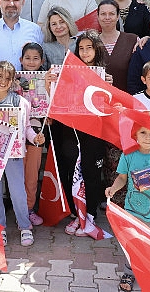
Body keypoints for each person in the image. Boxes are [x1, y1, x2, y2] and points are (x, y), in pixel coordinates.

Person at [0, 61, 45, 246]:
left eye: (7, 78)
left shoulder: (21, 102)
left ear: (12, 81)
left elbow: (26, 129)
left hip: (14, 155)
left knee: (18, 193)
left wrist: (35, 139)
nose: (3, 81)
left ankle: (24, 226)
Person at [49, 31, 108, 236]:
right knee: (71, 170)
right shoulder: (68, 71)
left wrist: (108, 87)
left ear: (97, 49)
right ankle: (76, 214)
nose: (84, 52)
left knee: (91, 173)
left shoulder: (104, 73)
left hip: (94, 132)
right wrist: (50, 83)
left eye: (89, 48)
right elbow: (55, 98)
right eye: (81, 48)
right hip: (70, 131)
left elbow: (109, 104)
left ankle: (90, 214)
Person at [105, 111, 150, 292]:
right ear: (135, 134)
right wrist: (113, 188)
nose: (148, 137)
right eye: (143, 132)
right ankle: (129, 272)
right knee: (132, 244)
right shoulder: (128, 156)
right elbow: (121, 178)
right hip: (133, 212)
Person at [19, 42, 46, 226]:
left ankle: (29, 208)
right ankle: (19, 208)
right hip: (17, 134)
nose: (31, 61)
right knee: (17, 173)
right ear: (21, 60)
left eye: (35, 58)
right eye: (27, 58)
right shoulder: (14, 80)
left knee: (32, 173)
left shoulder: (46, 79)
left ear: (42, 61)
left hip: (37, 132)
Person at [97, 0, 139, 92]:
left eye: (111, 14)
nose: (107, 17)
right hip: (97, 99)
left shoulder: (133, 40)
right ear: (98, 17)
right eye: (103, 14)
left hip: (126, 99)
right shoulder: (91, 43)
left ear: (117, 16)